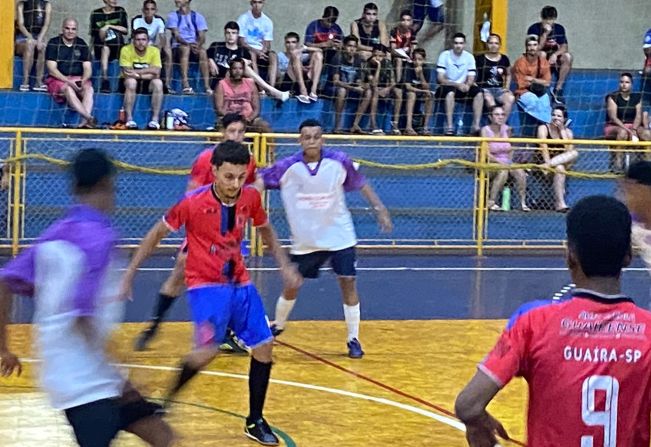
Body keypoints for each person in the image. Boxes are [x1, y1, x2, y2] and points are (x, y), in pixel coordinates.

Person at [121, 141, 302, 446]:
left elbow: (266, 229)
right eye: (229, 176)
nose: (235, 183)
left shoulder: (250, 198)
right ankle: (165, 403)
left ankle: (255, 419)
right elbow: (155, 234)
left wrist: (285, 266)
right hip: (206, 285)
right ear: (215, 171)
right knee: (206, 352)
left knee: (264, 347)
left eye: (241, 177)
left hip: (241, 283)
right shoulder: (192, 203)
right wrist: (129, 274)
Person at [0, 148, 174, 447]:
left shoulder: (53, 234)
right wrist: (121, 377)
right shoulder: (99, 238)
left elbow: (5, 282)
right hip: (89, 382)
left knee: (162, 436)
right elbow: (81, 317)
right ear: (107, 185)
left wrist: (4, 348)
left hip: (63, 376)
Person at [455, 194, 651, 447]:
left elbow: (468, 405)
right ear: (628, 256)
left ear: (570, 255)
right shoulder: (646, 331)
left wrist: (477, 423)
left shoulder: (533, 323)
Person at [255, 119, 392, 358]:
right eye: (306, 137)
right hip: (306, 240)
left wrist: (380, 208)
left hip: (340, 235)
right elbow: (258, 180)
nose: (311, 141)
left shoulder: (339, 161)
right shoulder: (286, 167)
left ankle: (353, 338)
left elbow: (361, 183)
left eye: (315, 136)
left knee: (348, 282)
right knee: (293, 283)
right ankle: (278, 324)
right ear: (300, 140)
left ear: (322, 139)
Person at [134, 113, 255, 352]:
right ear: (222, 132)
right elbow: (191, 194)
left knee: (232, 279)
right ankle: (153, 326)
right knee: (179, 274)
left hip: (231, 233)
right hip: (204, 230)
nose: (237, 136)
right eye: (232, 131)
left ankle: (226, 332)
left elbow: (251, 187)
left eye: (241, 132)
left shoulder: (246, 160)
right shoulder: (206, 159)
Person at [207, 22, 290, 102]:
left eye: (233, 33)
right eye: (228, 33)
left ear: (238, 34)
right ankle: (271, 91)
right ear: (224, 34)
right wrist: (209, 59)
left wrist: (243, 63)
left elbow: (246, 66)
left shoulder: (243, 51)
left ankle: (269, 90)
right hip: (218, 83)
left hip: (235, 82)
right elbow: (202, 57)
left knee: (243, 66)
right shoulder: (216, 46)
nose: (230, 36)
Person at [45, 18, 96, 129]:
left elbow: (88, 68)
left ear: (76, 30)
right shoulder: (53, 43)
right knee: (68, 89)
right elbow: (52, 69)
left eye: (73, 29)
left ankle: (84, 122)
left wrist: (83, 80)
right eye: (67, 28)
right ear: (62, 29)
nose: (70, 31)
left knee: (89, 89)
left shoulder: (81, 44)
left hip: (77, 78)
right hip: (58, 79)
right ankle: (89, 117)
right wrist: (68, 81)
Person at [435, 32, 483, 135]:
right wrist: (457, 85)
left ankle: (476, 126)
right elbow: (440, 79)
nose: (458, 46)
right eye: (456, 43)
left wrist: (468, 85)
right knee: (450, 93)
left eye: (461, 43)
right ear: (452, 44)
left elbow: (471, 77)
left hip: (463, 87)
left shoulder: (469, 57)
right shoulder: (445, 55)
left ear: (464, 44)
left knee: (479, 93)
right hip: (447, 86)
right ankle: (449, 126)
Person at [481, 105, 528, 211]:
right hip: (491, 162)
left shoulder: (507, 129)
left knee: (520, 172)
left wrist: (508, 161)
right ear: (490, 117)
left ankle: (522, 202)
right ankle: (491, 201)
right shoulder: (485, 130)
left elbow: (510, 148)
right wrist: (501, 163)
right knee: (503, 171)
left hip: (507, 161)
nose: (500, 117)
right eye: (497, 115)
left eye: (502, 114)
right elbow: (486, 153)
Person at [605, 72, 651, 173]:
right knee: (622, 133)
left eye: (627, 82)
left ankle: (647, 164)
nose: (624, 84)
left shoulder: (637, 97)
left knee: (647, 134)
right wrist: (628, 130)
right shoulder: (612, 97)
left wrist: (634, 129)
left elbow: (638, 115)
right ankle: (618, 165)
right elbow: (613, 118)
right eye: (622, 82)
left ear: (631, 84)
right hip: (615, 126)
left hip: (632, 126)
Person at [118, 27, 163, 130]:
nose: (141, 43)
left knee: (158, 83)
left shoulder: (154, 51)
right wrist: (148, 71)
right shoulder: (126, 50)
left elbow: (157, 72)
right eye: (138, 40)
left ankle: (155, 120)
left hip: (147, 81)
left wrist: (139, 74)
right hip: (127, 81)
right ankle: (129, 119)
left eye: (143, 40)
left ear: (148, 41)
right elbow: (128, 72)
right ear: (133, 41)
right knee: (131, 82)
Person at [527, 5, 572, 104]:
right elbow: (534, 48)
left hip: (553, 56)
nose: (548, 22)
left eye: (551, 19)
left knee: (567, 56)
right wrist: (545, 34)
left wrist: (555, 54)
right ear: (541, 18)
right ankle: (538, 85)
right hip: (538, 56)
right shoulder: (533, 28)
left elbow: (564, 47)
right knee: (542, 54)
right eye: (546, 19)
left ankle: (558, 89)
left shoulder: (559, 28)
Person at [326, 35, 371, 134]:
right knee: (342, 91)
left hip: (350, 87)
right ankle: (337, 127)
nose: (352, 49)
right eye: (349, 46)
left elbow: (358, 80)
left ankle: (355, 125)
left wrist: (363, 85)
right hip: (333, 88)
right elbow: (336, 81)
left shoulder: (358, 59)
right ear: (344, 46)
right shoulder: (338, 58)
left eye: (354, 47)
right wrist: (354, 88)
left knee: (368, 92)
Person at [166, 0, 211, 95]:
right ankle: (185, 84)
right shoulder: (173, 16)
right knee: (185, 49)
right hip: (178, 47)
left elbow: (202, 36)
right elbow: (176, 35)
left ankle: (207, 87)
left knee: (203, 52)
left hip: (194, 46)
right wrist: (188, 44)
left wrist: (197, 45)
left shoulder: (198, 17)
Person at [537, 105, 577, 212]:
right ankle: (560, 203)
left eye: (559, 116)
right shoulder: (543, 128)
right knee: (559, 167)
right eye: (553, 115)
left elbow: (569, 154)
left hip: (555, 166)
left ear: (564, 119)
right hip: (543, 166)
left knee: (573, 154)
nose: (555, 118)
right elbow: (543, 148)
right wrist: (547, 164)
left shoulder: (568, 133)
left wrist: (562, 132)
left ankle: (560, 203)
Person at [215, 58, 271, 133]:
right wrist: (232, 119)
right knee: (219, 125)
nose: (238, 71)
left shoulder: (250, 83)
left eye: (240, 68)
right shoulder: (222, 84)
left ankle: (268, 145)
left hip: (249, 119)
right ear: (230, 70)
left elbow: (256, 109)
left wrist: (249, 118)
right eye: (235, 68)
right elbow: (219, 109)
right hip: (228, 118)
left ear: (244, 70)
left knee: (264, 126)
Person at [512, 35, 552, 135]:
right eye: (529, 45)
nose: (532, 48)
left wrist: (533, 80)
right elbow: (522, 84)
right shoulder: (520, 62)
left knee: (546, 103)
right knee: (534, 102)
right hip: (523, 92)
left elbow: (547, 82)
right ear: (526, 47)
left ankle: (544, 131)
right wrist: (539, 81)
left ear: (538, 46)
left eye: (535, 45)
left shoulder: (543, 61)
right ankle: (551, 128)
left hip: (539, 90)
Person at [130, 0, 173, 93]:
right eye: (147, 9)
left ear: (155, 10)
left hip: (152, 45)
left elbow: (162, 37)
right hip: (139, 44)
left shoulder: (159, 20)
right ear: (143, 10)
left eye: (152, 9)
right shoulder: (137, 20)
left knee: (168, 49)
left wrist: (157, 49)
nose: (149, 12)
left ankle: (167, 83)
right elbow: (136, 37)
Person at [90, 0, 128, 93]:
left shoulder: (120, 11)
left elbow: (125, 30)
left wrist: (109, 26)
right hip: (101, 45)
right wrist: (90, 51)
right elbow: (93, 35)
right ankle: (105, 80)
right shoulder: (96, 13)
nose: (115, 1)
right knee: (105, 48)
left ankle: (120, 81)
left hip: (117, 45)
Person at [237, 0, 278, 88]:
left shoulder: (267, 21)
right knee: (252, 54)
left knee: (273, 56)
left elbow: (267, 42)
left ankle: (272, 87)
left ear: (263, 3)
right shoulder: (243, 18)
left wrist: (263, 51)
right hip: (247, 49)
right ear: (251, 3)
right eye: (255, 2)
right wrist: (256, 51)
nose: (257, 5)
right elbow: (241, 41)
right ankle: (260, 88)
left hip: (260, 50)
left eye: (260, 2)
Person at [475, 33, 514, 121]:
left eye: (496, 43)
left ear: (500, 45)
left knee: (510, 98)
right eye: (491, 43)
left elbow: (508, 74)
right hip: (485, 89)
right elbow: (473, 74)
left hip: (499, 89)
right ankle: (493, 125)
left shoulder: (504, 59)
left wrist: (507, 87)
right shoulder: (479, 59)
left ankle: (502, 125)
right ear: (487, 44)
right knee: (490, 101)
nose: (493, 45)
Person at [15, 0, 52, 92]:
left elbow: (46, 25)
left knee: (42, 46)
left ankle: (39, 82)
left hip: (38, 36)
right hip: (23, 37)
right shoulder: (22, 4)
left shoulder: (46, 5)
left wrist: (40, 38)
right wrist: (30, 37)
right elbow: (21, 25)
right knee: (30, 44)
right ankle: (25, 81)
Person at [277, 32, 323, 103]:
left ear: (297, 43)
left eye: (293, 42)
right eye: (288, 42)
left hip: (303, 80)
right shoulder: (280, 55)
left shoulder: (303, 56)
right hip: (288, 82)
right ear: (285, 44)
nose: (290, 45)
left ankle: (313, 90)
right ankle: (303, 90)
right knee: (295, 55)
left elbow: (320, 50)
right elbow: (278, 73)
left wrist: (304, 48)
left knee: (318, 55)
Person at [364, 44, 397, 135]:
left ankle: (395, 124)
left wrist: (387, 89)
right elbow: (373, 83)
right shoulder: (367, 64)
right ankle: (373, 124)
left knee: (399, 92)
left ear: (385, 56)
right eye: (375, 55)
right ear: (372, 54)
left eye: (381, 56)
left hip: (383, 88)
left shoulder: (387, 63)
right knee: (374, 91)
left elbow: (393, 81)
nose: (378, 58)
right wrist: (378, 66)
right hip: (369, 88)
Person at [403, 48, 434, 136]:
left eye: (420, 60)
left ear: (424, 60)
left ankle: (425, 127)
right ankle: (408, 127)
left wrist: (420, 74)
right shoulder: (409, 67)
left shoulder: (426, 69)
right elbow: (408, 87)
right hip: (410, 92)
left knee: (429, 96)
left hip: (421, 91)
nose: (417, 62)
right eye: (415, 59)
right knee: (411, 95)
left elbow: (426, 87)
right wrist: (422, 90)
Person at [389, 10, 417, 90]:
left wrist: (411, 55)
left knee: (416, 60)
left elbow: (413, 48)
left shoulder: (412, 32)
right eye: (403, 20)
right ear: (400, 21)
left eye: (408, 20)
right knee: (399, 60)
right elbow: (393, 50)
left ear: (411, 22)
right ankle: (398, 83)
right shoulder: (394, 31)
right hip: (396, 55)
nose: (405, 22)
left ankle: (412, 83)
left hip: (407, 56)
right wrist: (403, 53)